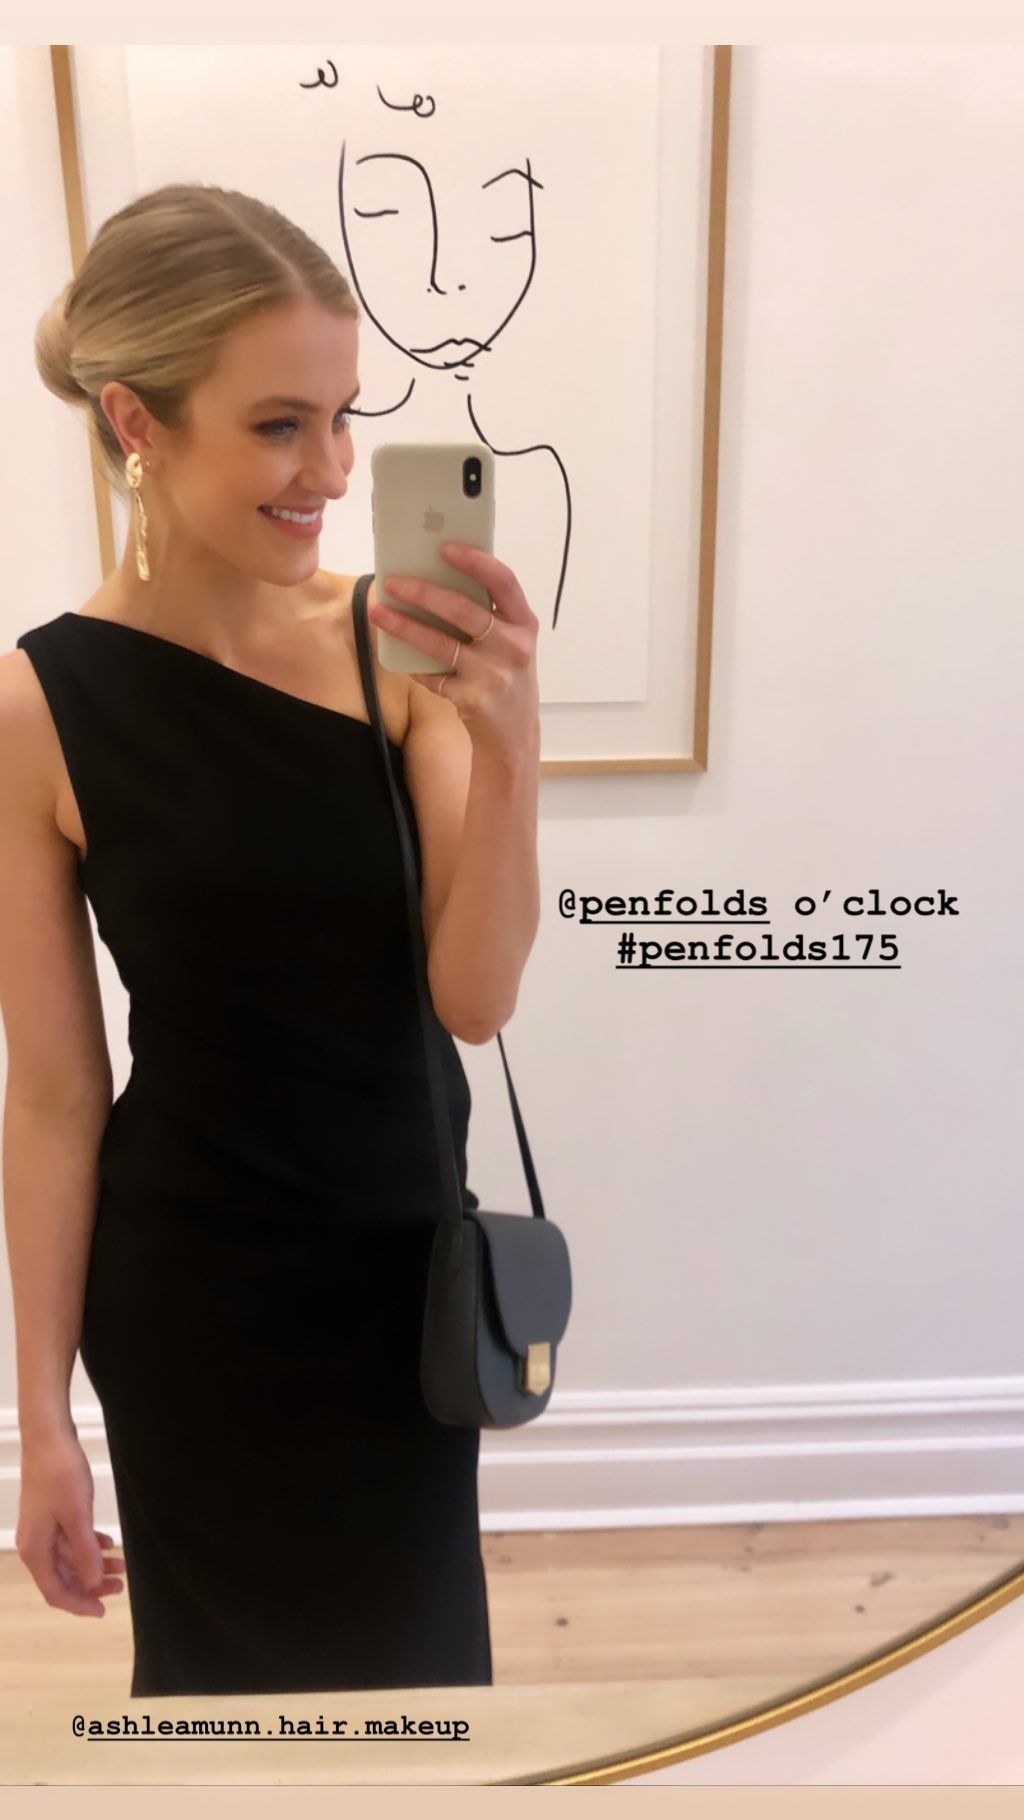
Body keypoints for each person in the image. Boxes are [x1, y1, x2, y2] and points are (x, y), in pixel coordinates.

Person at [0, 182, 541, 1696]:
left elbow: (475, 997)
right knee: (222, 1718)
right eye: (281, 425)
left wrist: (512, 749)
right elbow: (54, 1096)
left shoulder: (395, 650)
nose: (334, 471)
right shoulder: (36, 709)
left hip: (399, 1286)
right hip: (194, 1310)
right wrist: (42, 1425)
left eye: (345, 418)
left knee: (421, 1703)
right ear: (138, 423)